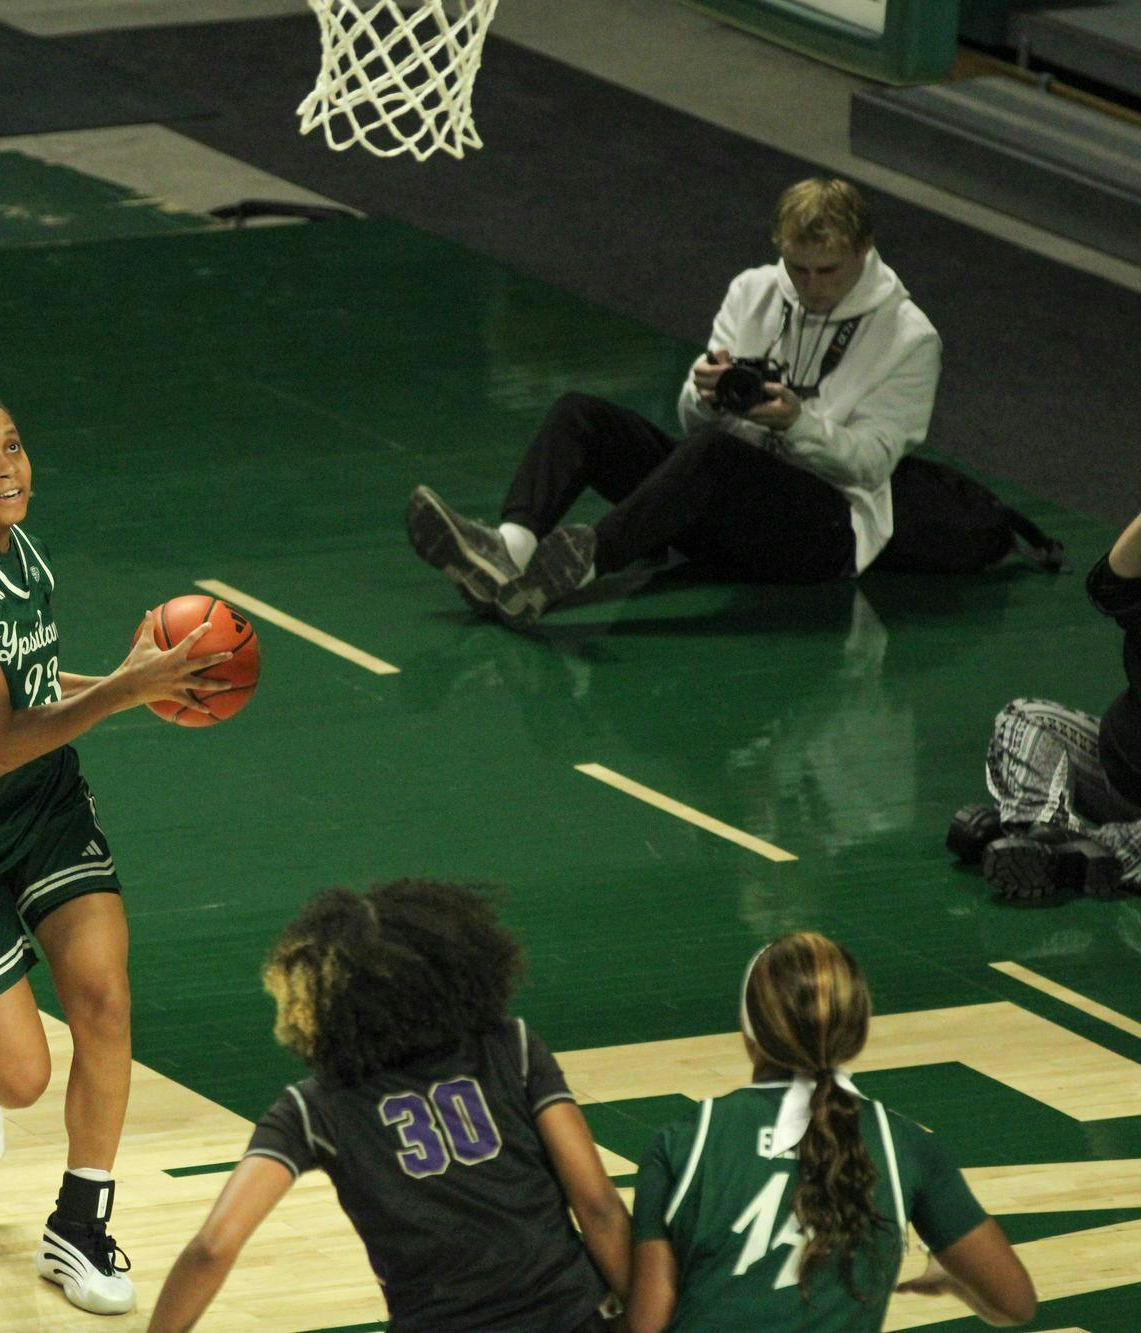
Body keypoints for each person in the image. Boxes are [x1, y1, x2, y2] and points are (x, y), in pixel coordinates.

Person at [0, 388, 229, 1315]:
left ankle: (78, 1223)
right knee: (24, 1078)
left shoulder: (22, 550)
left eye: (13, 447)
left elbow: (30, 681)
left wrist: (127, 681)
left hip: (43, 810)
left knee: (106, 998)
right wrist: (129, 692)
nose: (8, 468)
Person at [407, 178, 941, 629]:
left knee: (715, 453)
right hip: (717, 501)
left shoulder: (909, 338)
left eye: (829, 271)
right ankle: (510, 552)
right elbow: (691, 421)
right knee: (580, 414)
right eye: (798, 268)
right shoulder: (753, 290)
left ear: (864, 250)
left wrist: (799, 425)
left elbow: (870, 466)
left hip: (825, 534)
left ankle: (581, 563)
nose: (811, 286)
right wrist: (705, 394)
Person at [149, 879, 629, 1332]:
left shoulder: (314, 1107)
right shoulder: (511, 1049)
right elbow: (599, 1206)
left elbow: (212, 1248)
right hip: (572, 1318)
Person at [628, 931, 1035, 1331]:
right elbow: (1014, 1303)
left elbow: (649, 1321)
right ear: (857, 1031)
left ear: (750, 1027)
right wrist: (950, 1279)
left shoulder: (684, 1140)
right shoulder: (906, 1147)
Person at [953, 510, 1141, 899]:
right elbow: (1110, 584)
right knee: (1024, 720)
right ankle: (1045, 831)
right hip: (1124, 771)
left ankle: (1066, 852)